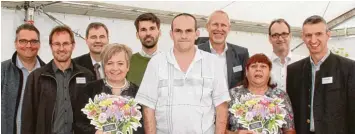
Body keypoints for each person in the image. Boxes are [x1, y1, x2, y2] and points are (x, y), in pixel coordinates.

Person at [135, 13, 231, 134]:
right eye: (178, 31)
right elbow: (148, 108)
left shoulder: (213, 63)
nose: (183, 36)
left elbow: (221, 107)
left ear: (197, 34)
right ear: (171, 34)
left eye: (188, 31)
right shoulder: (156, 63)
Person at [287, 15, 355, 134]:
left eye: (318, 34)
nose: (313, 40)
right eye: (308, 35)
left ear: (328, 35)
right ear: (303, 37)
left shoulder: (348, 68)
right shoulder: (293, 70)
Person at [21, 25, 94, 134]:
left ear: (73, 46)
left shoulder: (87, 76)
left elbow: (92, 115)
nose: (61, 48)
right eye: (57, 44)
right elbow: (28, 119)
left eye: (65, 44)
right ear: (51, 46)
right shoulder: (36, 77)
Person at [74, 43, 144, 134]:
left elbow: (143, 125)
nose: (115, 68)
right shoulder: (89, 90)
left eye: (120, 63)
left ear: (128, 67)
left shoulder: (138, 93)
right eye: (110, 63)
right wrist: (95, 132)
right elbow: (79, 124)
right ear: (104, 66)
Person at [227, 54, 295, 134]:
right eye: (253, 66)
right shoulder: (232, 94)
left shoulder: (281, 96)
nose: (258, 69)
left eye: (263, 66)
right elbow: (220, 129)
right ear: (246, 71)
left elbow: (289, 130)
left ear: (269, 72)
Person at [1, 24, 46, 134]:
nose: (29, 45)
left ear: (39, 44)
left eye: (33, 41)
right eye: (23, 41)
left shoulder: (48, 73)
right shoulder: (3, 70)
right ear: (16, 44)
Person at [198, 10, 249, 89]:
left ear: (229, 28)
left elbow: (247, 83)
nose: (219, 29)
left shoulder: (242, 53)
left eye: (223, 25)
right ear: (207, 27)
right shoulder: (195, 52)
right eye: (215, 24)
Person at [267, 19, 303, 91]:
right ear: (270, 38)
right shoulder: (263, 64)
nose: (280, 39)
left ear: (290, 36)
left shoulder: (302, 63)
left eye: (284, 34)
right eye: (275, 35)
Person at [126, 13, 161, 86]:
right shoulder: (127, 62)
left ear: (159, 32)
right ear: (137, 35)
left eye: (152, 28)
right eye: (143, 29)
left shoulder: (170, 62)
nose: (148, 33)